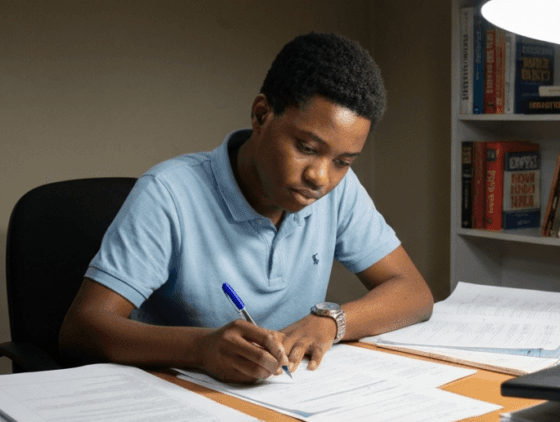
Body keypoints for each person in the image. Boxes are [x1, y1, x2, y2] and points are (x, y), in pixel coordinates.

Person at [58, 32, 433, 383]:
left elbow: (414, 293)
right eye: (306, 148)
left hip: (286, 399)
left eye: (343, 161)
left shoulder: (338, 190)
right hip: (184, 398)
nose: (321, 177)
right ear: (261, 115)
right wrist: (202, 348)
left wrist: (332, 321)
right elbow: (82, 328)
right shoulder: (169, 193)